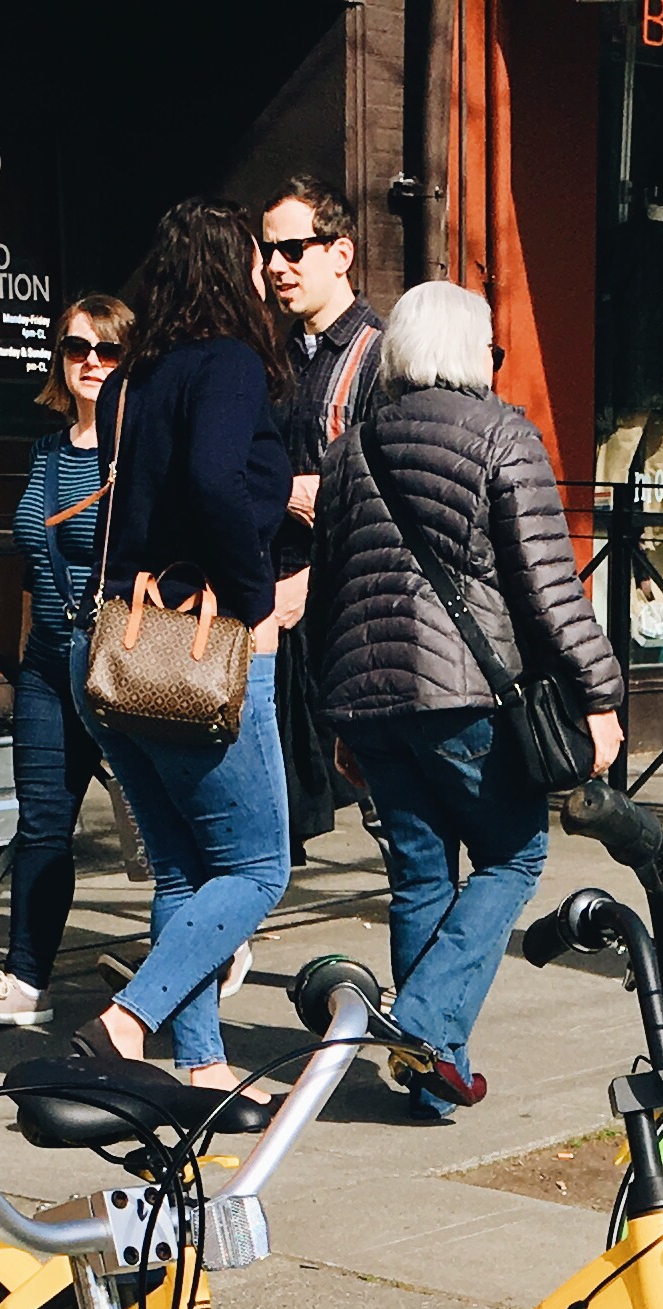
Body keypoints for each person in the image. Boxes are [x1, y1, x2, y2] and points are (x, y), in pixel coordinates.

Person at [314, 279, 624, 1124]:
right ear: (474, 351)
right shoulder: (502, 436)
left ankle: (430, 1077)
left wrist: (334, 714)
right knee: (514, 858)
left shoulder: (349, 452)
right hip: (467, 696)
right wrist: (601, 695)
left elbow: (329, 595)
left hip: (370, 698)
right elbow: (551, 590)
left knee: (420, 874)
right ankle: (421, 1025)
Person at [79, 196, 293, 1088]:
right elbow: (212, 482)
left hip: (124, 647)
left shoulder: (133, 380)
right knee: (257, 869)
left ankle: (202, 1065)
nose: (265, 275)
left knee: (183, 869)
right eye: (254, 259)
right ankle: (130, 1020)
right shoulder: (230, 364)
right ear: (226, 269)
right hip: (202, 645)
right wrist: (253, 597)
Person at [0, 292, 126, 1032]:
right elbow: (34, 563)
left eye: (110, 350)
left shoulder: (138, 450)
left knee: (158, 830)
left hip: (121, 669)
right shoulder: (48, 451)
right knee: (43, 822)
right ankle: (26, 982)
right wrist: (27, 659)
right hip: (49, 672)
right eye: (78, 349)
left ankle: (210, 949)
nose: (92, 363)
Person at [260, 177, 383, 861]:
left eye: (294, 248)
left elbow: (394, 474)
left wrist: (324, 490)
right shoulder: (276, 353)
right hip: (274, 595)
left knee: (382, 787)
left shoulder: (377, 352)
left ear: (341, 253)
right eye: (269, 250)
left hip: (350, 601)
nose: (278, 265)